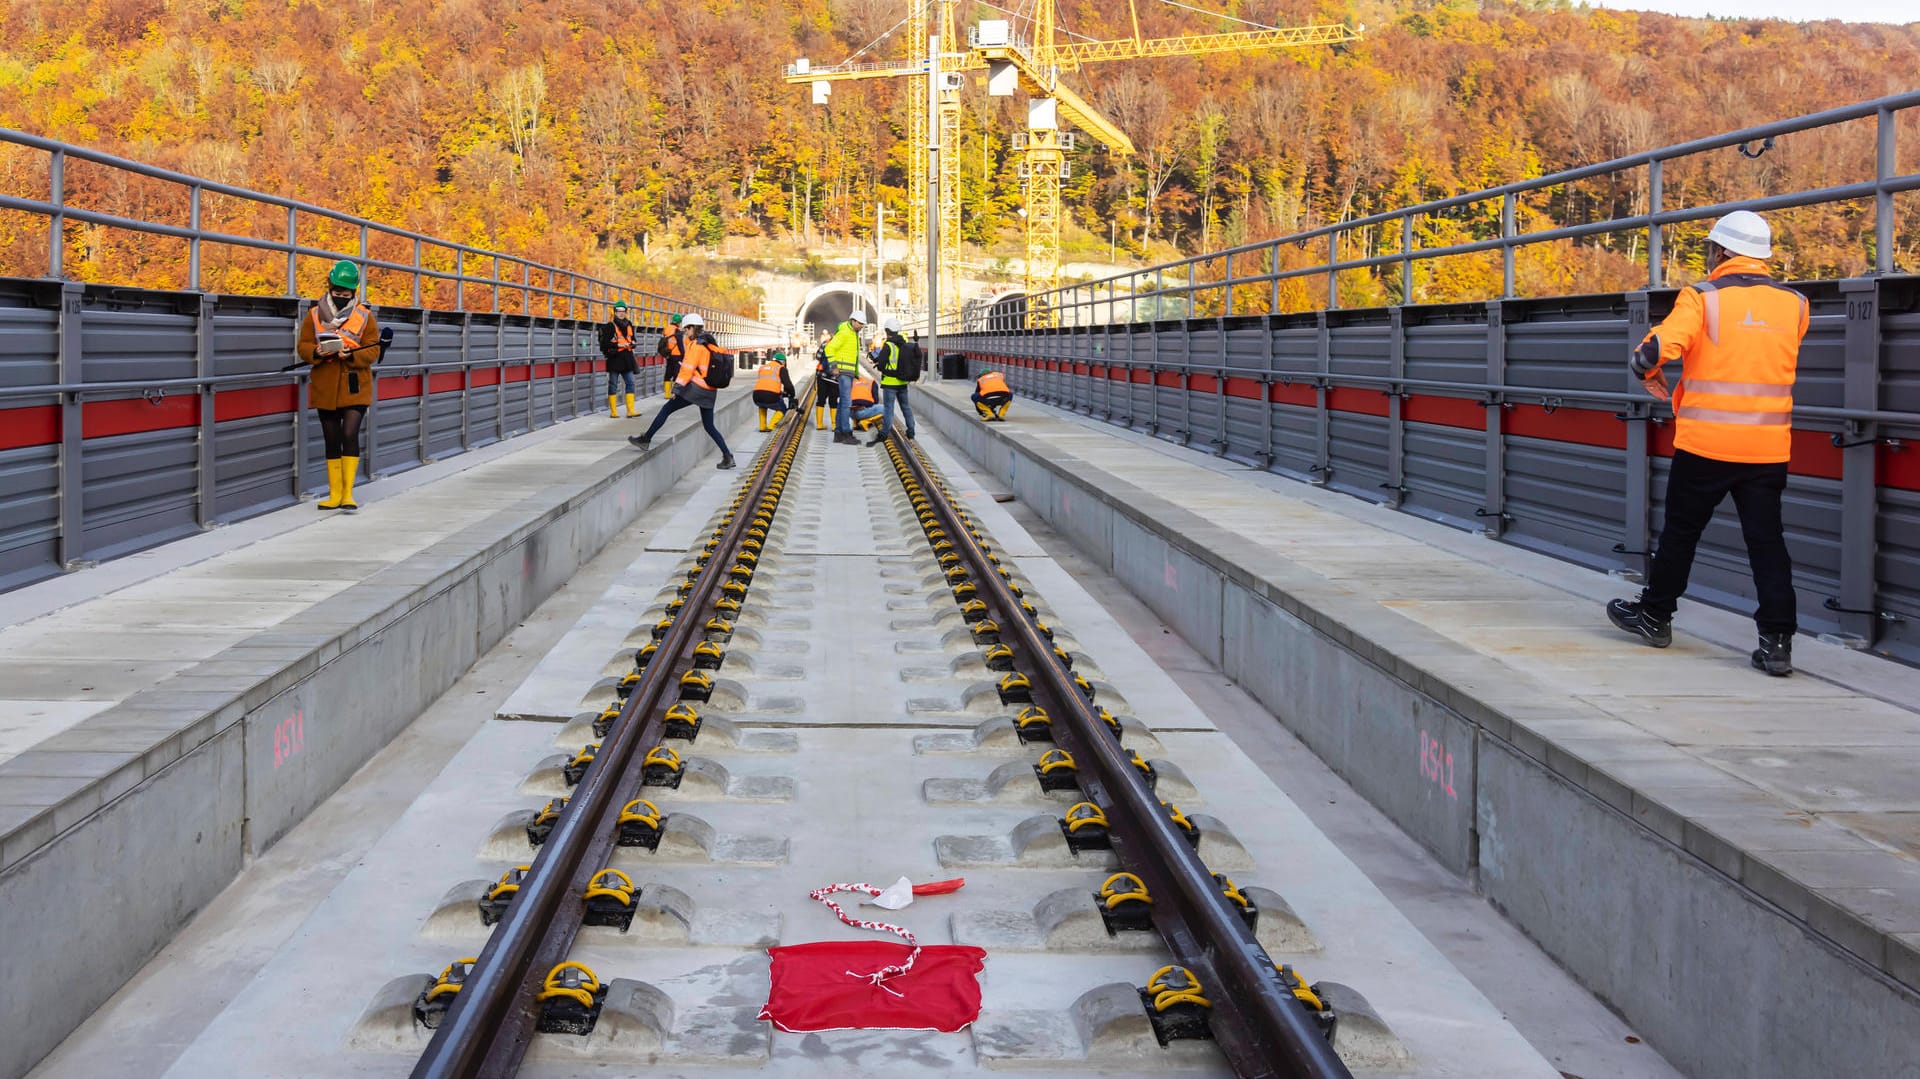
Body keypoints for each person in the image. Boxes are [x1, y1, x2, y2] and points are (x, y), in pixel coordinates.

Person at [1607, 210, 1809, 676]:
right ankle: (1777, 643)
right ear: (1762, 256)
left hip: (1705, 444)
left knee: (1682, 533)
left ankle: (1655, 617)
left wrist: (1652, 376)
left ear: (1720, 251)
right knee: (1767, 542)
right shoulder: (1797, 304)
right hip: (1768, 447)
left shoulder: (1702, 298)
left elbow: (1651, 353)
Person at [298, 260, 383, 512]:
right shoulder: (313, 315)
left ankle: (348, 493)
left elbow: (374, 349)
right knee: (331, 437)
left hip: (355, 385)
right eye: (338, 292)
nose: (342, 296)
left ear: (354, 291)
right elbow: (303, 346)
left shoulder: (365, 316)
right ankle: (334, 494)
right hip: (325, 384)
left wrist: (352, 354)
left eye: (346, 293)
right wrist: (317, 351)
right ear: (330, 287)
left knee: (349, 434)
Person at [629, 312, 735, 469]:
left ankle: (646, 439)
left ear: (692, 328)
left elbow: (687, 369)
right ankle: (728, 456)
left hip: (696, 388)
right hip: (709, 390)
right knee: (709, 425)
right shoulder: (709, 343)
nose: (685, 332)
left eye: (687, 329)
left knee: (667, 408)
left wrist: (676, 389)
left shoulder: (696, 346)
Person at [851, 317, 919, 444]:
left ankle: (883, 434)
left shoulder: (888, 345)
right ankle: (911, 431)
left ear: (887, 331)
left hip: (890, 383)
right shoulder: (904, 343)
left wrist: (877, 362)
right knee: (906, 407)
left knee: (888, 409)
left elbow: (882, 365)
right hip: (902, 382)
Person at [823, 310, 866, 444]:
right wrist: (834, 366)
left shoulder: (853, 333)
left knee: (843, 403)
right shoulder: (845, 332)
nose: (861, 326)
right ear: (853, 321)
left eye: (863, 324)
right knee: (846, 402)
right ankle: (846, 433)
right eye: (860, 323)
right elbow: (829, 349)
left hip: (848, 372)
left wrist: (855, 373)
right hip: (843, 372)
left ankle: (839, 433)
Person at [599, 300, 640, 418]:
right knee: (613, 384)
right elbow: (605, 344)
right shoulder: (610, 326)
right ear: (615, 312)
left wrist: (633, 343)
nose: (621, 313)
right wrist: (618, 345)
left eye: (623, 311)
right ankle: (613, 411)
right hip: (614, 358)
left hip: (627, 358)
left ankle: (630, 410)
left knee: (631, 383)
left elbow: (633, 339)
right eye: (619, 311)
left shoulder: (629, 324)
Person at [752, 350, 797, 431]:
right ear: (783, 361)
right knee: (782, 408)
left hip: (756, 395)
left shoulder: (763, 367)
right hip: (770, 396)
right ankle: (771, 426)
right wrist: (792, 394)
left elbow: (767, 383)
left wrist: (780, 392)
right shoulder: (780, 368)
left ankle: (762, 427)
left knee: (762, 405)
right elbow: (788, 385)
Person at [812, 331, 839, 430]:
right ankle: (834, 425)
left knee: (821, 400)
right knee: (833, 401)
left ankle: (819, 424)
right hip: (834, 378)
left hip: (822, 376)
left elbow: (818, 357)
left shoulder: (825, 343)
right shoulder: (841, 345)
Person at [656, 313, 684, 398]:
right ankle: (673, 393)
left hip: (668, 354)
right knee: (676, 374)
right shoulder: (677, 331)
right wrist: (683, 355)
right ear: (679, 322)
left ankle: (666, 394)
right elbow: (680, 344)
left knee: (668, 373)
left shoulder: (666, 329)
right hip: (677, 355)